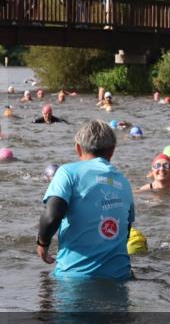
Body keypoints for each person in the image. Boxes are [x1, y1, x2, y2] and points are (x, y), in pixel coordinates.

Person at [36, 120, 135, 280]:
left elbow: (52, 215)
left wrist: (42, 244)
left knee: (44, 291)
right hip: (120, 276)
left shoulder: (67, 172)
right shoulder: (123, 182)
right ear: (112, 151)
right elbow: (126, 229)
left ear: (78, 148)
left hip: (74, 277)